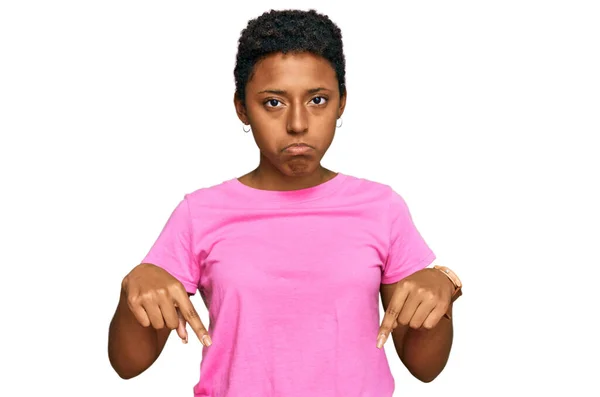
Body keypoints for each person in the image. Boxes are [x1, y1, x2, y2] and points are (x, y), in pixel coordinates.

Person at [107, 8, 463, 397]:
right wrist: (134, 286)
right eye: (273, 103)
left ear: (342, 102)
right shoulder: (200, 213)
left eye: (318, 100)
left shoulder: (382, 208)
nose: (297, 123)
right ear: (242, 107)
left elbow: (424, 368)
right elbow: (129, 365)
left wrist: (443, 288)